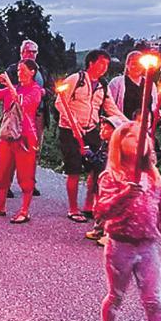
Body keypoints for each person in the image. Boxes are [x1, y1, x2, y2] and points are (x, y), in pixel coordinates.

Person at [94, 121, 161, 321]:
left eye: (143, 135)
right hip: (120, 246)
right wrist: (123, 195)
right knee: (116, 295)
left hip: (148, 249)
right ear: (119, 143)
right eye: (132, 136)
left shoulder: (153, 176)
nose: (140, 139)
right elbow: (101, 212)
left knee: (154, 302)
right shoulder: (111, 176)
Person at [55, 49, 127, 223]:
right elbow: (60, 102)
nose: (104, 67)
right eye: (101, 63)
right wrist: (73, 124)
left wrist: (130, 125)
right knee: (74, 169)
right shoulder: (75, 79)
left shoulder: (103, 85)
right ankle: (73, 208)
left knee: (96, 168)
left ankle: (89, 205)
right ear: (91, 63)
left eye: (107, 64)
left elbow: (111, 109)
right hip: (70, 131)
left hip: (91, 130)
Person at [0, 59, 44, 224]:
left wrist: (7, 82)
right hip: (7, 137)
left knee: (26, 176)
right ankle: (0, 206)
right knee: (2, 174)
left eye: (23, 70)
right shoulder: (12, 88)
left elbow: (22, 102)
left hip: (25, 138)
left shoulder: (36, 90)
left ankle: (24, 210)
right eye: (17, 70)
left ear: (32, 72)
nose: (19, 73)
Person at [3, 40, 55, 197]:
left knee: (33, 150)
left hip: (37, 115)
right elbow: (6, 89)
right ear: (21, 53)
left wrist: (44, 93)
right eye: (28, 51)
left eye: (34, 52)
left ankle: (29, 183)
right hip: (17, 116)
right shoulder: (13, 70)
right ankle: (6, 185)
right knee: (12, 150)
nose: (31, 54)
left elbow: (51, 89)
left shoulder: (43, 71)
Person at [83, 115, 126, 245]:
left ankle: (110, 235)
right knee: (99, 208)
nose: (102, 131)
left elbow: (102, 163)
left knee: (110, 210)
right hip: (100, 182)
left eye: (106, 129)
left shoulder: (116, 148)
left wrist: (90, 156)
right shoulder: (104, 145)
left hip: (112, 184)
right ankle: (99, 229)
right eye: (101, 128)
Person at [108, 50, 158, 120]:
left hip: (144, 125)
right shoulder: (116, 83)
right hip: (122, 125)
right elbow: (110, 106)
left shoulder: (150, 84)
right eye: (134, 64)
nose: (137, 67)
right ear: (127, 65)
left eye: (140, 64)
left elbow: (154, 105)